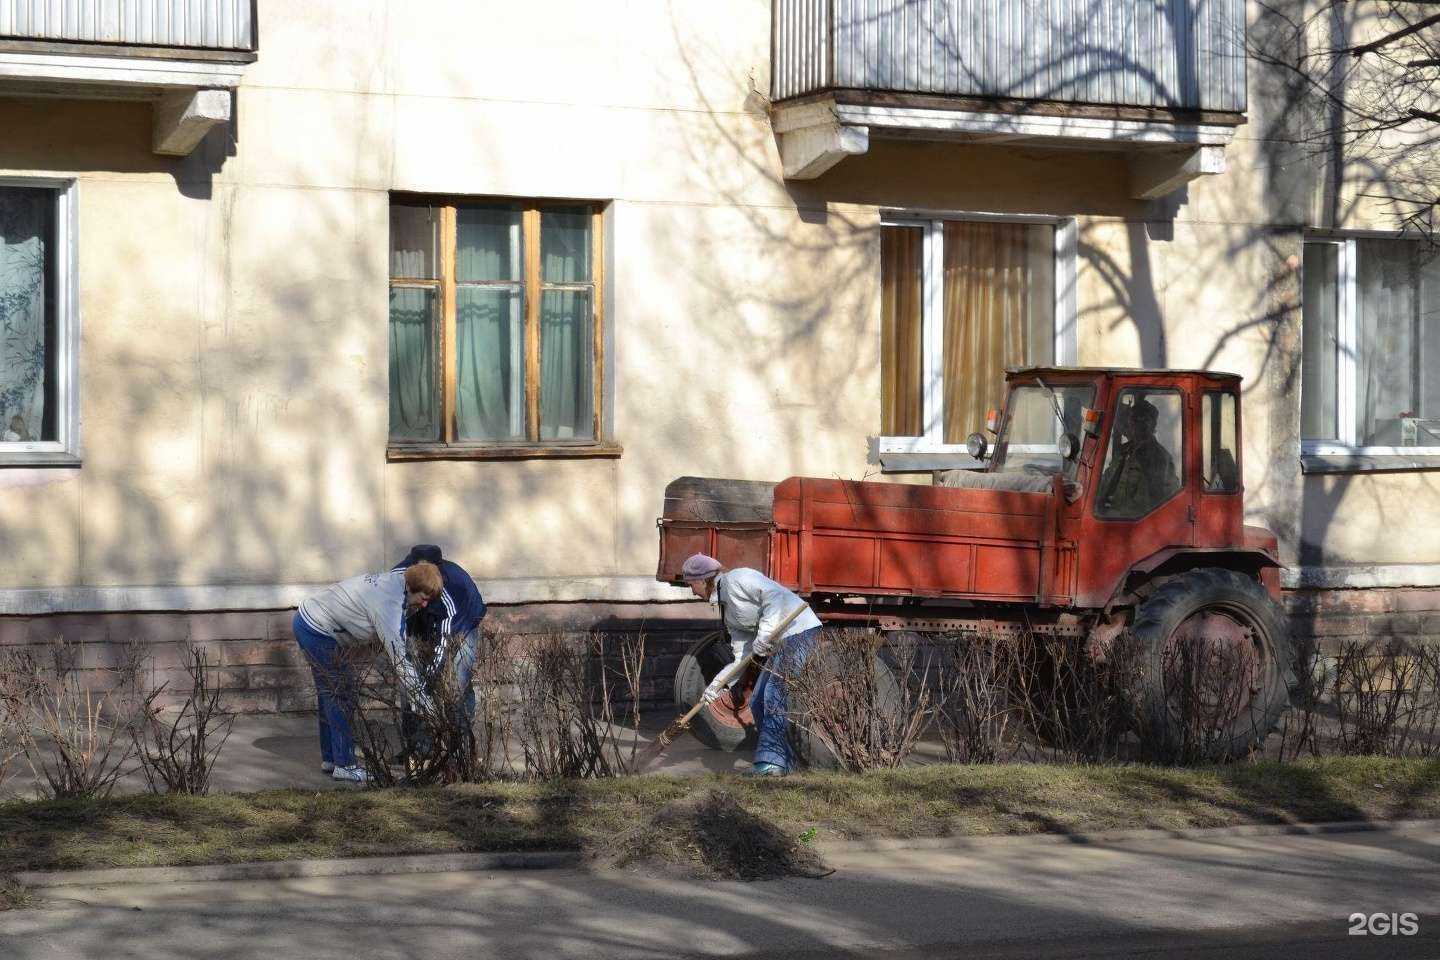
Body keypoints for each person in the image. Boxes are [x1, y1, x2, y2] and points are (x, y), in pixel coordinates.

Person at [292, 562, 444, 782]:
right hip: (315, 628)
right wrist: (428, 707)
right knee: (340, 693)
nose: (425, 603)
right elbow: (400, 659)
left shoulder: (403, 579)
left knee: (332, 692)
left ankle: (331, 759)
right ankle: (344, 764)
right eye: (423, 597)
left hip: (312, 621)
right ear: (411, 587)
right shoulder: (387, 604)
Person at [680, 553, 823, 776]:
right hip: (779, 642)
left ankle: (772, 765)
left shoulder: (739, 578)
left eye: (690, 584)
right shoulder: (727, 610)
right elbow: (741, 658)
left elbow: (774, 598)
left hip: (799, 630)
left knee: (775, 694)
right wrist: (717, 687)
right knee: (757, 699)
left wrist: (764, 634)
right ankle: (785, 763)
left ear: (702, 579)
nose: (691, 591)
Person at [390, 545, 487, 758]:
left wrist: (426, 683)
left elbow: (445, 644)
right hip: (422, 623)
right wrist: (414, 681)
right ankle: (419, 748)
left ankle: (460, 748)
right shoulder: (397, 578)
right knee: (411, 684)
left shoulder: (452, 590)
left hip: (462, 626)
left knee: (456, 683)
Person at [1097, 396, 1180, 517]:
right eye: (1134, 419)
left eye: (1144, 420)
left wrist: (1115, 513)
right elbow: (1106, 483)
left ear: (1152, 425)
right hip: (1111, 520)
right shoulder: (1123, 452)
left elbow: (1155, 505)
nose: (1138, 425)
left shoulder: (1159, 458)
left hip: (1135, 526)